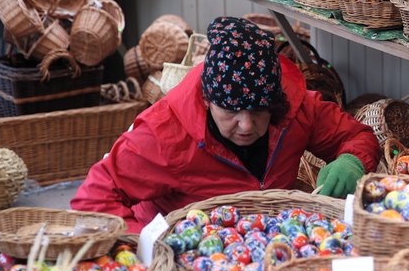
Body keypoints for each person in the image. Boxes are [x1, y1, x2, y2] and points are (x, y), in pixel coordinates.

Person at [71, 16, 379, 232]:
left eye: (259, 110)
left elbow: (356, 136)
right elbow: (93, 198)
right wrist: (149, 244)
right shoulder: (165, 133)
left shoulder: (297, 108)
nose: (246, 125)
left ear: (276, 101)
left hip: (270, 241)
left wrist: (351, 161)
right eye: (231, 111)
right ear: (206, 99)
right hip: (190, 252)